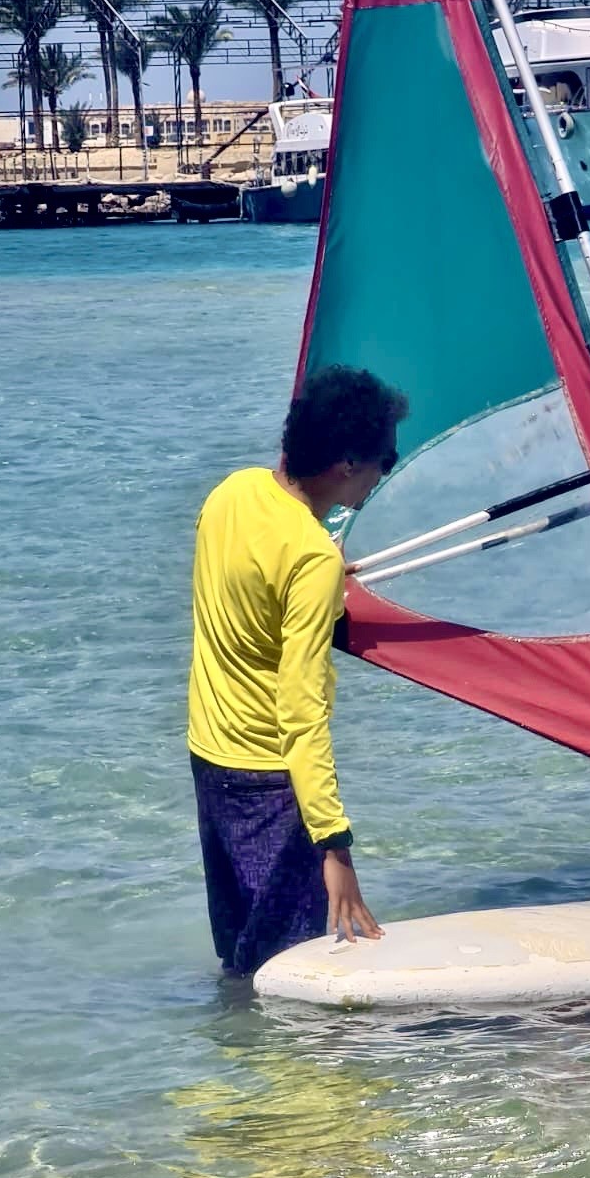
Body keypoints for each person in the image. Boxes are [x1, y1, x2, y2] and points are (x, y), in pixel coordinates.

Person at [188, 364, 408, 976]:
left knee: (242, 963)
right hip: (269, 782)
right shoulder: (310, 560)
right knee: (293, 974)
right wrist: (334, 846)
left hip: (210, 761)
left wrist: (315, 555)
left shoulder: (231, 493)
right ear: (346, 464)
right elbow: (301, 712)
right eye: (383, 462)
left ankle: (234, 1063)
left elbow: (247, 570)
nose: (381, 475)